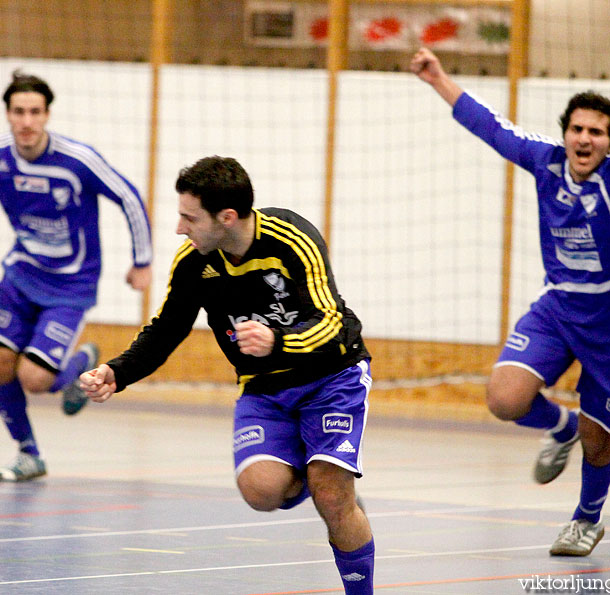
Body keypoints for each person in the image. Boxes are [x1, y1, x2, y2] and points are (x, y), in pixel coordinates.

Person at [79, 156, 375, 593]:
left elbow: (334, 322)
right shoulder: (195, 262)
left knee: (331, 495)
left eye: (188, 217)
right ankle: (326, 481)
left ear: (227, 217)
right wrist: (116, 372)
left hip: (332, 377)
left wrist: (279, 340)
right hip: (265, 387)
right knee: (260, 491)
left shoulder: (292, 239)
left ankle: (344, 529)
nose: (180, 228)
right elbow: (166, 330)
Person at [411, 47, 610, 556]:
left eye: (596, 132)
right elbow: (493, 127)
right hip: (560, 308)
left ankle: (586, 519)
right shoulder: (547, 162)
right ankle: (559, 425)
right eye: (577, 129)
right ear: (565, 132)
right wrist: (438, 80)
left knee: (601, 441)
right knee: (504, 398)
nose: (584, 139)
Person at [0, 71, 153, 481]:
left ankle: (80, 362)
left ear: (47, 115)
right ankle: (29, 453)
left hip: (70, 286)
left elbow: (127, 196)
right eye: (19, 112)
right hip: (19, 275)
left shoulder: (76, 160)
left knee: (33, 378)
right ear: (9, 115)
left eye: (35, 112)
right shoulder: (1, 158)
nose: (27, 121)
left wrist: (142, 261)